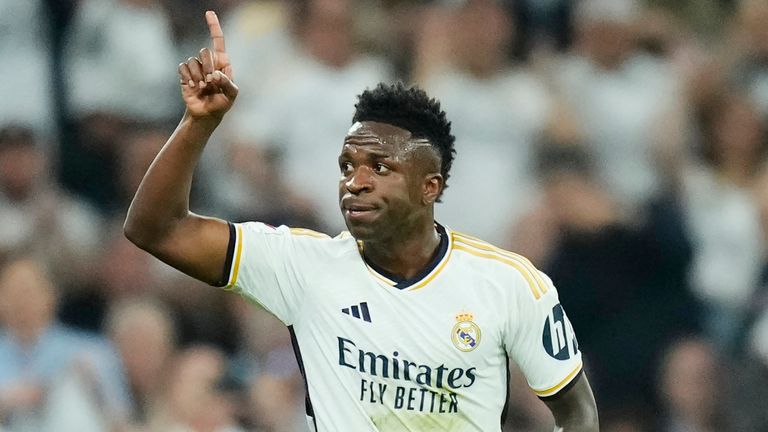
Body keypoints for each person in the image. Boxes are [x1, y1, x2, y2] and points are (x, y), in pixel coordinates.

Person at [123, 11, 598, 431]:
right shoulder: (303, 266)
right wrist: (198, 125)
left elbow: (576, 411)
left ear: (430, 186)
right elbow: (155, 229)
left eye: (381, 167)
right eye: (348, 166)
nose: (356, 181)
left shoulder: (511, 284)